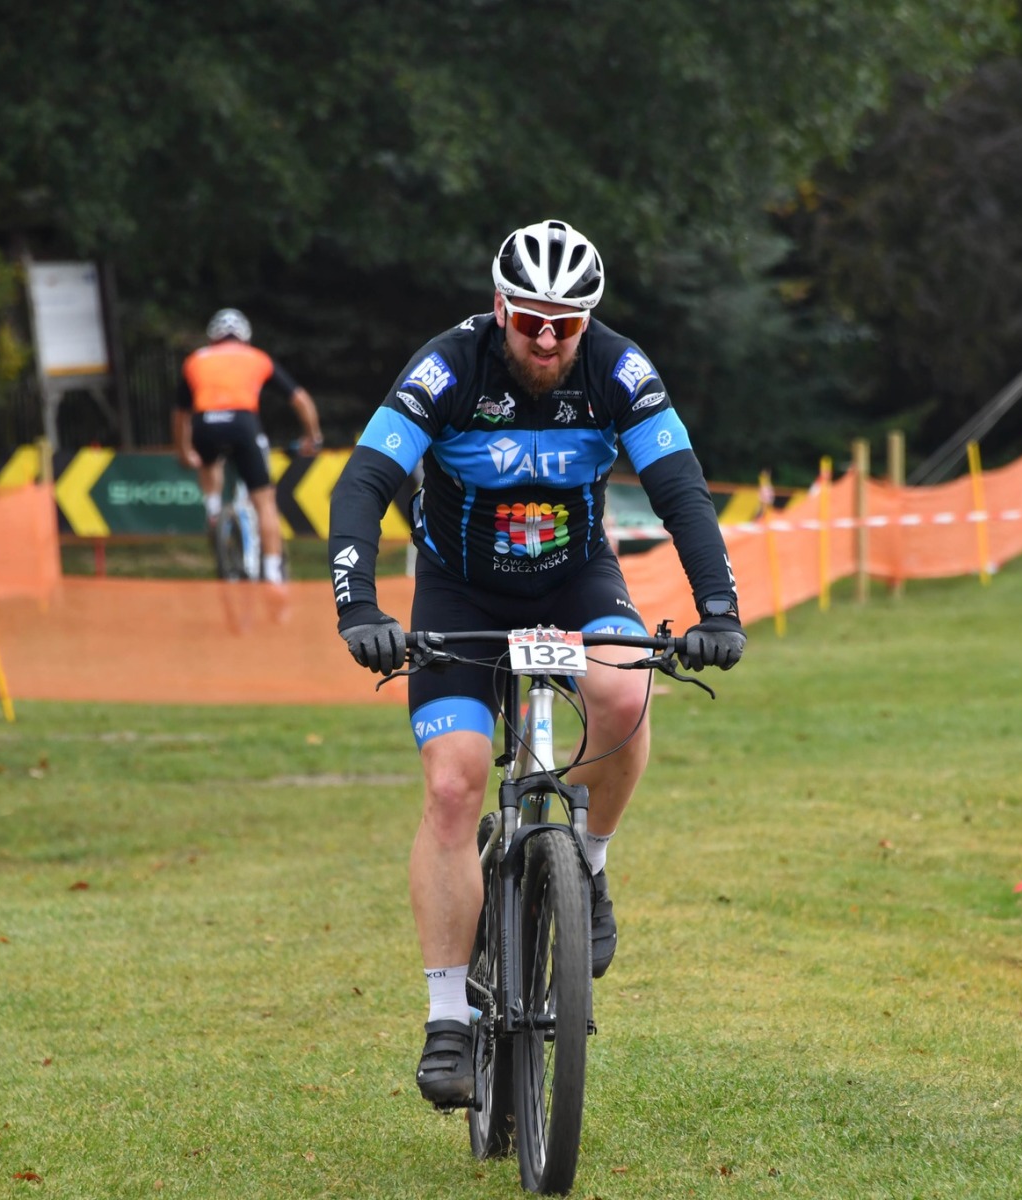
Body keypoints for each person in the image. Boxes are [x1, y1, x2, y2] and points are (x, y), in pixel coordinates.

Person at [326, 219, 745, 1108]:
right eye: (530, 322)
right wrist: (359, 607)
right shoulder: (448, 368)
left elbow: (681, 490)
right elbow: (362, 482)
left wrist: (719, 609)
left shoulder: (620, 370)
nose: (548, 341)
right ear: (499, 307)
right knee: (454, 784)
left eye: (567, 325)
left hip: (574, 579)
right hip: (459, 592)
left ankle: (587, 865)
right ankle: (447, 1016)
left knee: (625, 693)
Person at [174, 308, 323, 583]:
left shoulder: (195, 359)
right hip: (243, 423)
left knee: (209, 460)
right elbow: (300, 400)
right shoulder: (257, 357)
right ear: (245, 337)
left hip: (204, 422)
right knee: (264, 501)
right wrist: (312, 437)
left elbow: (181, 415)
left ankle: (213, 509)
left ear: (212, 338)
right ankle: (272, 571)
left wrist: (184, 451)